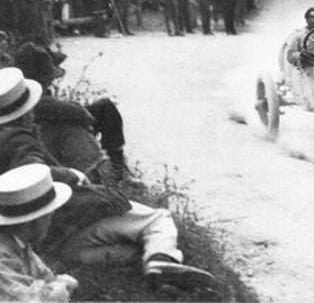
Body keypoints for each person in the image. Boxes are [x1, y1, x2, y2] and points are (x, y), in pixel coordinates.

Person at [0, 67, 218, 293]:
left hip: (41, 242)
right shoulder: (17, 139)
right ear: (26, 112)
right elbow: (32, 170)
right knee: (158, 219)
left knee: (128, 252)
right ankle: (161, 260)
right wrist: (72, 175)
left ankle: (152, 268)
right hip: (63, 220)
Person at [14, 42, 128, 184]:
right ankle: (102, 175)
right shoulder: (29, 95)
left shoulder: (20, 90)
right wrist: (85, 120)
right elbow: (79, 114)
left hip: (42, 137)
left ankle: (117, 167)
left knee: (103, 108)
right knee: (73, 127)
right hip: (41, 143)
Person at [0, 163, 78, 302]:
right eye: (49, 217)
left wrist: (57, 283)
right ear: (36, 220)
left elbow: (44, 276)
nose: (50, 223)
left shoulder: (19, 241)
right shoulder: (3, 254)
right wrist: (59, 287)